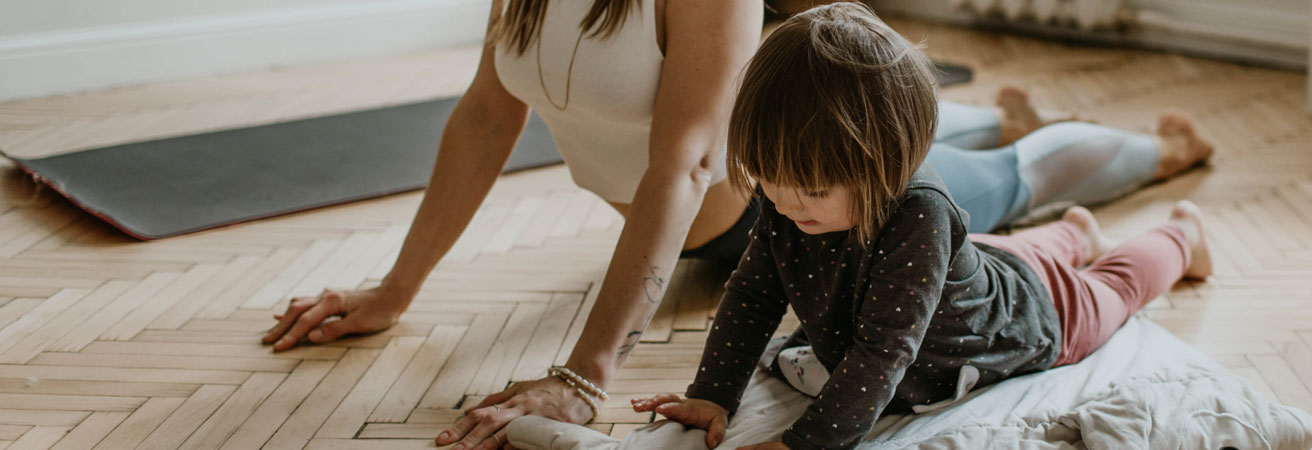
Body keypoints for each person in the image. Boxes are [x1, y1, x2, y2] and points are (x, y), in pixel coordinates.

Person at [258, 1, 1211, 448]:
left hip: (880, 229)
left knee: (1025, 198)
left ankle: (1159, 177)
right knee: (1017, 240)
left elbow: (687, 167)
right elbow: (483, 114)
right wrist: (395, 291)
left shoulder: (889, 199)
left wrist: (583, 378)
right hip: (833, 195)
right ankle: (1045, 191)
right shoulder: (804, 193)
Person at [629, 5, 1211, 449]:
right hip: (972, 268)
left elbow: (884, 352)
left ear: (888, 164)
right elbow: (754, 294)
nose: (782, 204)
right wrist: (712, 393)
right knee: (1010, 255)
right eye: (769, 181)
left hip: (1032, 313)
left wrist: (805, 443)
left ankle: (1182, 236)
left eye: (810, 190)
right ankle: (1076, 232)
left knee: (1114, 287)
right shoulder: (788, 201)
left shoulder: (920, 215)